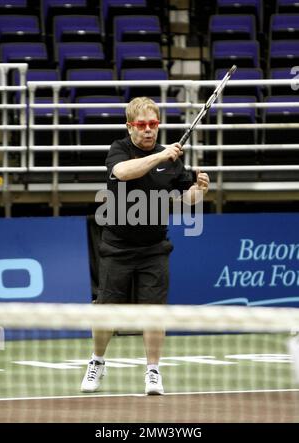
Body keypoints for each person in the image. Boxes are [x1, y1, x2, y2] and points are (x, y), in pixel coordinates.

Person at [81, 97, 209, 395]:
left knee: (154, 312)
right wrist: (162, 157)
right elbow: (125, 173)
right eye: (142, 125)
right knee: (105, 312)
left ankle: (153, 371)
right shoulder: (120, 150)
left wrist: (200, 190)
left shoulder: (171, 161)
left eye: (154, 124)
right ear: (130, 127)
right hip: (117, 246)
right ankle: (97, 361)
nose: (149, 130)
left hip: (154, 248)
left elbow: (186, 198)